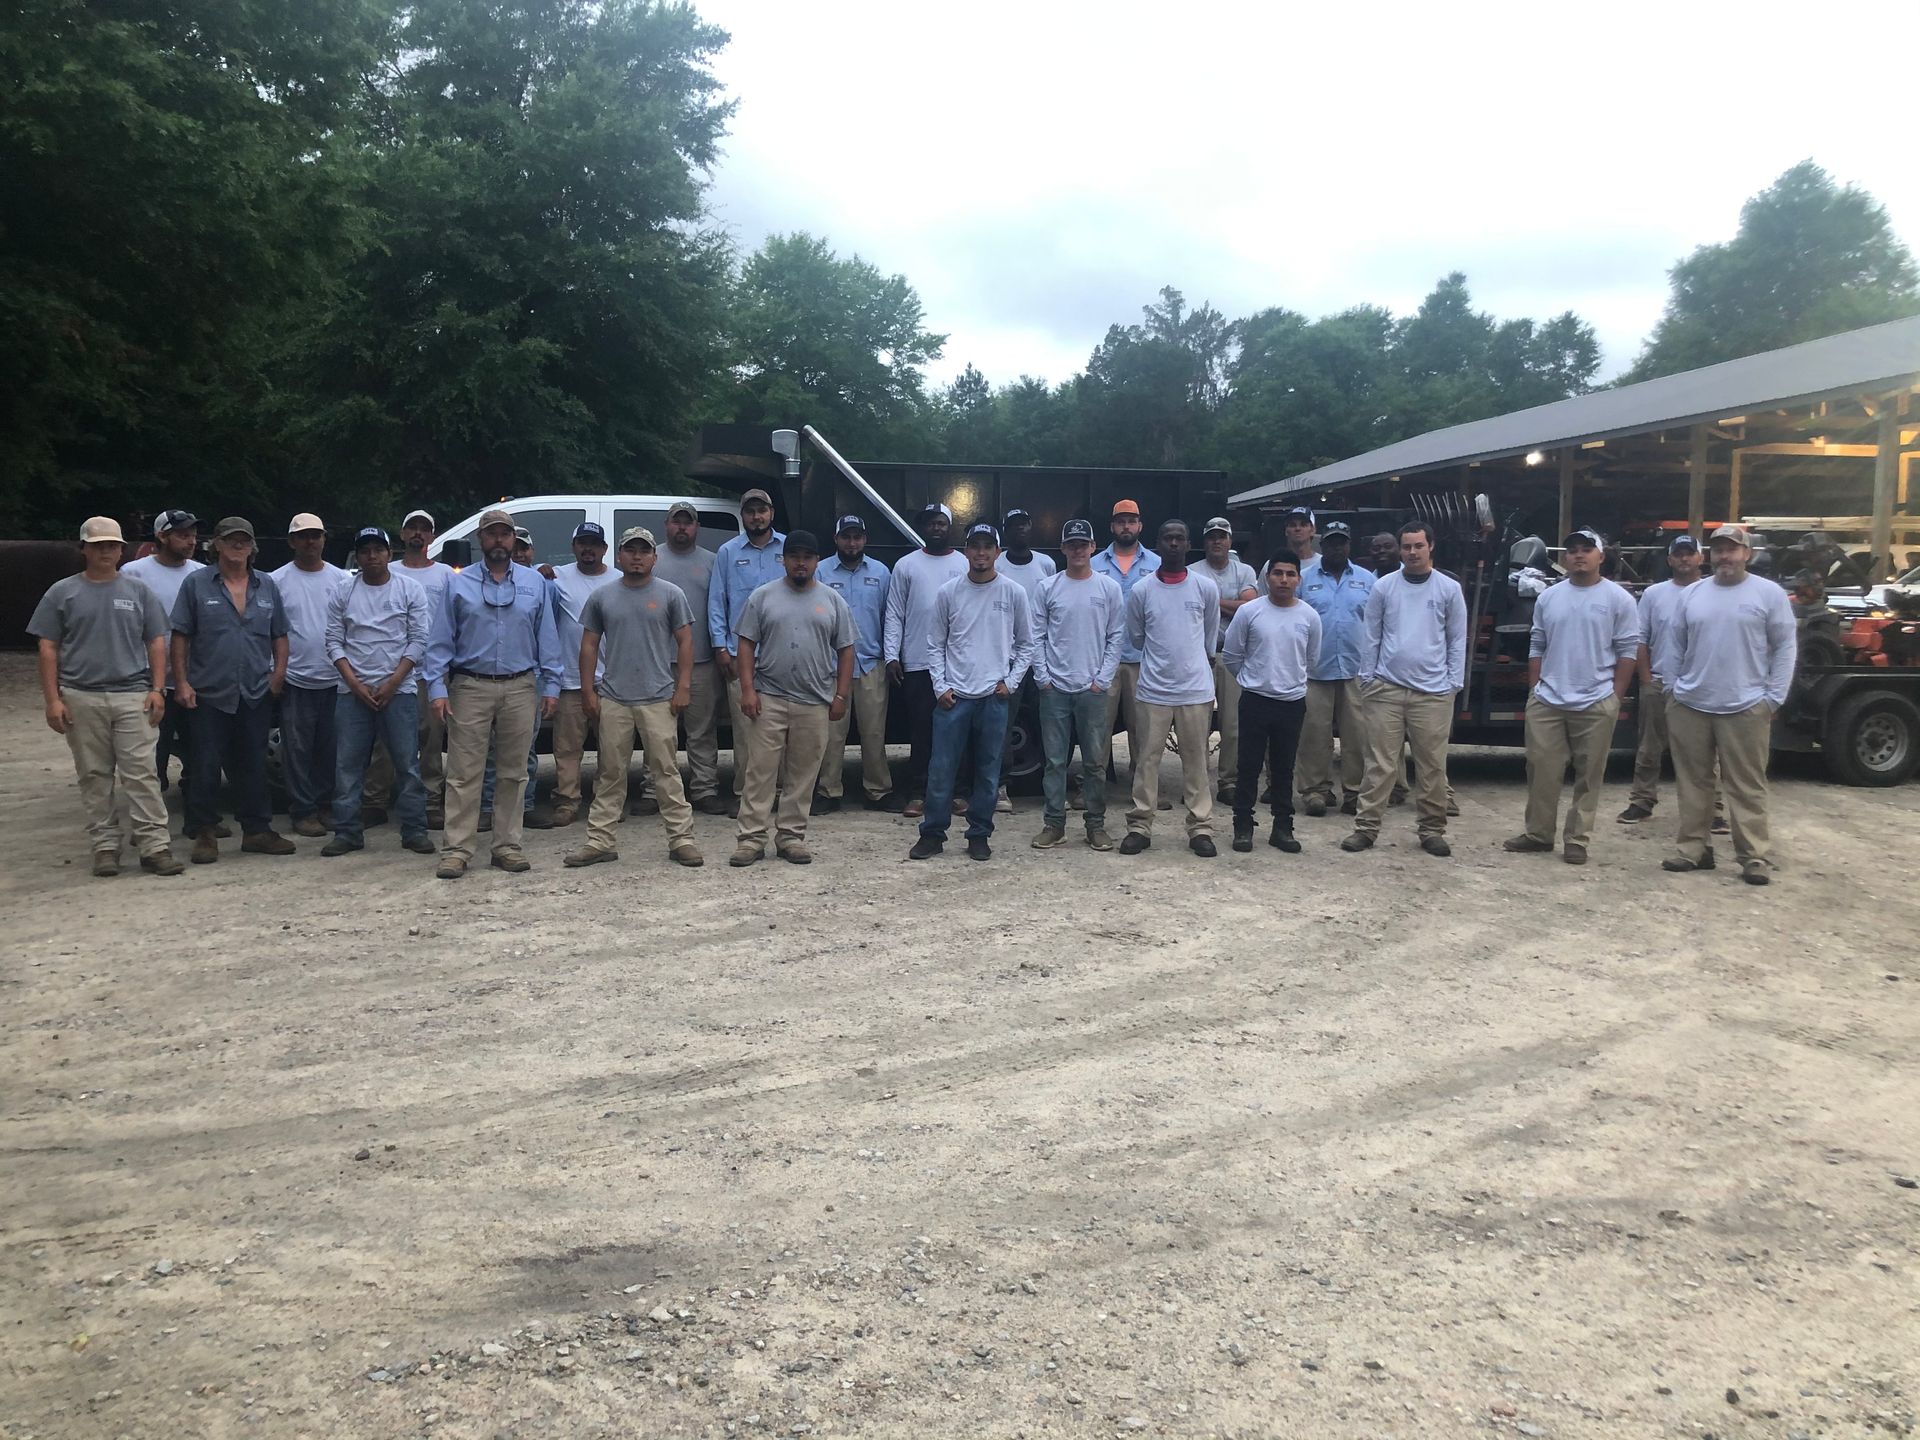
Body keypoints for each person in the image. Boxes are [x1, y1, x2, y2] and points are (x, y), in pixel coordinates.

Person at [29, 517, 182, 876]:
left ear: (121, 549)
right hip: (81, 696)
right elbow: (48, 646)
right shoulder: (61, 593)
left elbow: (156, 641)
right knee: (94, 775)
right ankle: (105, 846)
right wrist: (53, 699)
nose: (106, 551)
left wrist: (158, 689)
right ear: (83, 548)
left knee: (142, 774)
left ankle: (154, 847)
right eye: (98, 545)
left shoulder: (138, 591)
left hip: (133, 695)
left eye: (112, 545)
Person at [422, 508, 561, 879]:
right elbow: (439, 641)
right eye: (491, 534)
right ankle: (457, 849)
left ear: (514, 539)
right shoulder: (458, 583)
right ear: (480, 540)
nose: (499, 540)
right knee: (464, 772)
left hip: (521, 686)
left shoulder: (535, 584)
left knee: (514, 772)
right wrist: (437, 688)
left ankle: (507, 845)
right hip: (470, 685)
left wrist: (552, 685)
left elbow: (546, 638)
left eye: (505, 534)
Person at [1661, 524, 1796, 886]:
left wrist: (1773, 697)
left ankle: (1754, 856)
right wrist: (1672, 688)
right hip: (1691, 703)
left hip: (1746, 704)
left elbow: (1785, 647)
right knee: (1693, 782)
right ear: (1710, 555)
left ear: (1746, 554)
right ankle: (1694, 849)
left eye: (1732, 550)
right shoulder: (1693, 594)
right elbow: (1673, 644)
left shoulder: (1768, 594)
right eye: (1719, 550)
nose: (1725, 557)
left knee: (1746, 785)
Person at [565, 527, 703, 869]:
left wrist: (682, 686)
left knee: (666, 771)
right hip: (614, 697)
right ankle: (600, 841)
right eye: (630, 550)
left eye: (644, 551)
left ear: (654, 557)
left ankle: (681, 839)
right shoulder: (602, 596)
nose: (637, 556)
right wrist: (587, 691)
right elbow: (589, 645)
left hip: (658, 697)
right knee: (610, 772)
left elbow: (686, 641)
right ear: (619, 556)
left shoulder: (671, 594)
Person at [1503, 529, 1640, 866]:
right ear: (1565, 558)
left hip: (1596, 700)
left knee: (1589, 774)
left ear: (1601, 556)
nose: (1580, 555)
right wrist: (1536, 687)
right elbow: (1537, 643)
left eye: (1587, 550)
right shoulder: (1550, 597)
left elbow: (1627, 651)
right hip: (1549, 699)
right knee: (1540, 768)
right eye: (1573, 550)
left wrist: (1615, 695)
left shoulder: (1618, 599)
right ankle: (1538, 834)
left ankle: (1577, 838)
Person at [170, 516, 296, 863]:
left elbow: (280, 634)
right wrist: (181, 682)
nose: (238, 546)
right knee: (205, 765)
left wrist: (278, 674)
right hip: (209, 692)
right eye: (231, 540)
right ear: (217, 545)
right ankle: (205, 833)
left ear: (252, 547)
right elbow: (180, 636)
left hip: (254, 692)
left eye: (244, 540)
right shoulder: (196, 584)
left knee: (252, 766)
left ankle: (256, 831)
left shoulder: (267, 586)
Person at [909, 523, 1036, 862]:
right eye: (974, 546)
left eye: (987, 546)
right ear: (966, 551)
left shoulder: (1013, 593)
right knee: (941, 770)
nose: (981, 553)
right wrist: (940, 687)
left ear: (998, 551)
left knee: (988, 771)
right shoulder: (948, 592)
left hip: (994, 698)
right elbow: (934, 643)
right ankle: (933, 834)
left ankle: (979, 834)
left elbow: (1027, 644)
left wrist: (1010, 682)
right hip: (955, 698)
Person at [730, 531, 856, 867]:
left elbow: (846, 650)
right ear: (783, 559)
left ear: (817, 561)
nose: (800, 562)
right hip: (768, 697)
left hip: (814, 700)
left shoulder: (832, 601)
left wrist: (840, 694)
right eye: (794, 556)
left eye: (807, 556)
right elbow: (745, 645)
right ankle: (751, 839)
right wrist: (747, 690)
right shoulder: (763, 597)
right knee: (760, 772)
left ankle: (790, 836)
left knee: (803, 774)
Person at [1341, 521, 1466, 857]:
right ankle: (1366, 828)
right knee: (1380, 764)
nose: (1412, 552)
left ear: (1431, 547)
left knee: (1432, 765)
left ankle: (1432, 830)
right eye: (1407, 547)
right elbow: (1372, 635)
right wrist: (1369, 678)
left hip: (1434, 693)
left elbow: (1457, 638)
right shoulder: (1385, 588)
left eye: (1418, 546)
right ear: (1400, 549)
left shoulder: (1448, 589)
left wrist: (1453, 683)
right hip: (1387, 689)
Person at [322, 527, 434, 856]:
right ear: (357, 556)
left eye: (378, 550)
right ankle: (347, 832)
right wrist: (355, 684)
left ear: (390, 553)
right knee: (347, 766)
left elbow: (418, 640)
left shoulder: (409, 589)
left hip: (398, 691)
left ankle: (414, 829)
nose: (372, 556)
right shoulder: (343, 591)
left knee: (407, 764)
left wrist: (394, 682)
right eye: (365, 550)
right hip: (351, 692)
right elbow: (332, 641)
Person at [1119, 519, 1221, 857]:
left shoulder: (1205, 588)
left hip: (1195, 690)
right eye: (1167, 538)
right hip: (1153, 690)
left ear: (1188, 543)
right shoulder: (1142, 590)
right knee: (1147, 761)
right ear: (1157, 544)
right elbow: (1136, 635)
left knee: (1196, 761)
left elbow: (1208, 635)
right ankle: (1140, 825)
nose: (1174, 544)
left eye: (1180, 538)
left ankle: (1200, 828)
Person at [1619, 534, 1724, 832]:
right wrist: (1646, 676)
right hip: (1660, 681)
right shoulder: (1654, 595)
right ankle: (1642, 801)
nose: (1684, 559)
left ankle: (1712, 809)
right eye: (1678, 554)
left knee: (1703, 751)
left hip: (1701, 685)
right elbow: (1641, 637)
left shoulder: (1714, 592)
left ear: (1700, 558)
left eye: (1689, 553)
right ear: (1669, 560)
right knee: (1649, 747)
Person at [1031, 519, 1124, 851]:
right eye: (1071, 544)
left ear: (1093, 547)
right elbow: (1036, 637)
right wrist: (1043, 678)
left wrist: (1102, 680)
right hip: (1055, 688)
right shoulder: (1048, 588)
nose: (1078, 550)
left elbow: (1115, 637)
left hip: (1093, 690)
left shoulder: (1108, 588)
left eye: (1083, 544)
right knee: (1055, 761)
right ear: (1063, 549)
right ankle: (1054, 824)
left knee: (1095, 763)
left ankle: (1095, 825)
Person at [1222, 553, 1321, 854]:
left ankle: (1282, 828)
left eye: (1290, 574)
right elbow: (1232, 655)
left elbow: (1312, 659)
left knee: (1283, 768)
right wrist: (1253, 680)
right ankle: (1242, 826)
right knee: (1248, 767)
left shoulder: (1308, 616)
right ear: (1267, 577)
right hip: (1255, 700)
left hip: (1291, 702)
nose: (1284, 579)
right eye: (1278, 573)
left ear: (1298, 579)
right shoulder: (1250, 612)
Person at [365, 508, 456, 828]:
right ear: (402, 535)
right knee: (385, 741)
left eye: (424, 529)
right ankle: (375, 800)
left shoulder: (446, 574)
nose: (418, 533)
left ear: (432, 536)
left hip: (431, 672)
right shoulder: (386, 571)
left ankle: (431, 801)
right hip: (389, 670)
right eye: (411, 528)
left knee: (432, 741)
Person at [885, 503, 968, 816]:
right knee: (921, 732)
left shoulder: (963, 563)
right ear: (923, 528)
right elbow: (894, 613)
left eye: (941, 523)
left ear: (950, 526)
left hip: (956, 665)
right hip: (917, 662)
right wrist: (892, 655)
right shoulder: (906, 565)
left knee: (956, 731)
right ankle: (918, 793)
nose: (936, 528)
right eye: (930, 523)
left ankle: (957, 792)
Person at [269, 513, 347, 838]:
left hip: (335, 678)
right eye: (303, 536)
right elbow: (269, 631)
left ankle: (326, 805)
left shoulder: (342, 579)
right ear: (291, 541)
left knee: (331, 749)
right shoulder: (275, 581)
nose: (310, 541)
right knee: (296, 750)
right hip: (295, 679)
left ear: (324, 539)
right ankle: (302, 810)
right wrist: (274, 672)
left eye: (316, 535)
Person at [651, 500, 730, 815]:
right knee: (657, 732)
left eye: (688, 522)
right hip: (657, 662)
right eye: (676, 521)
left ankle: (704, 789)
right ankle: (651, 790)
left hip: (701, 662)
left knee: (702, 730)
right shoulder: (650, 558)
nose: (682, 527)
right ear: (666, 525)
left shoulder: (712, 562)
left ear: (697, 527)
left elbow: (720, 608)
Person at [709, 487, 786, 802]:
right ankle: (745, 795)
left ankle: (779, 793)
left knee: (780, 731)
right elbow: (717, 602)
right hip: (741, 656)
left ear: (771, 513)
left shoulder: (788, 547)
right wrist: (720, 648)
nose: (757, 517)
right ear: (742, 516)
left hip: (781, 654)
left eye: (762, 510)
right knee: (744, 731)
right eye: (750, 511)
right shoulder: (727, 552)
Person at [814, 513, 893, 812]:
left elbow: (890, 617)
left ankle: (878, 790)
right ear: (836, 539)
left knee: (874, 731)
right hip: (832, 667)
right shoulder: (820, 572)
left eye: (857, 536)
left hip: (872, 662)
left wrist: (891, 656)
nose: (851, 542)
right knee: (833, 732)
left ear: (865, 539)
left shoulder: (881, 572)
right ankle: (828, 791)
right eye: (845, 536)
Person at [122, 508, 203, 796]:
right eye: (182, 535)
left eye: (193, 536)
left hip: (192, 678)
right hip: (148, 679)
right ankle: (152, 817)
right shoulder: (134, 573)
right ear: (161, 536)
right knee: (152, 750)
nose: (191, 541)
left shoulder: (201, 574)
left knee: (197, 749)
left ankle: (199, 814)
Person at [1295, 521, 1374, 817]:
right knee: (1314, 734)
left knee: (1357, 736)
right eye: (1331, 542)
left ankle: (1354, 791)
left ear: (1349, 545)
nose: (1336, 547)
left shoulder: (1368, 581)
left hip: (1357, 670)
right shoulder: (1304, 579)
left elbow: (1378, 626)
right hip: (1315, 670)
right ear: (1321, 545)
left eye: (1342, 542)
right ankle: (1315, 791)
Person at [543, 521, 618, 826]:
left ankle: (607, 803)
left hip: (611, 679)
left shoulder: (619, 580)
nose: (589, 549)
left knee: (612, 747)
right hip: (570, 679)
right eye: (583, 543)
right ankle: (567, 801)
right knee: (567, 747)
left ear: (604, 549)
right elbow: (530, 572)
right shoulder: (556, 577)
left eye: (595, 544)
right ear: (573, 547)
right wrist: (541, 567)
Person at [1091, 498, 1162, 793]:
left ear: (1140, 526)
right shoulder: (1094, 564)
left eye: (1131, 521)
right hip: (1102, 659)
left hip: (1140, 658)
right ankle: (1092, 789)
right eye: (1121, 521)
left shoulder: (1156, 564)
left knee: (1142, 728)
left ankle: (1142, 788)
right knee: (1098, 727)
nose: (1126, 526)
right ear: (1112, 526)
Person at [992, 507, 1056, 814]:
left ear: (1031, 528)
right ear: (1005, 530)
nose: (1020, 529)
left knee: (1050, 724)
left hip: (1042, 657)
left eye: (1024, 524)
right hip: (1008, 659)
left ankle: (1052, 786)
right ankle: (1000, 787)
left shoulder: (1046, 563)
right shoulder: (998, 563)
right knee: (1004, 726)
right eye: (1013, 525)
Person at [1198, 517, 1258, 805]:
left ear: (1230, 541)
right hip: (1200, 656)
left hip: (1234, 655)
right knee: (1197, 724)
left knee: (1232, 724)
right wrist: (1228, 605)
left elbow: (1249, 607)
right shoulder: (1193, 571)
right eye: (1212, 537)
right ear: (1204, 541)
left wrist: (1213, 602)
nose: (1217, 541)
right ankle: (1196, 781)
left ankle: (1228, 781)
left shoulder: (1244, 571)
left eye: (1222, 536)